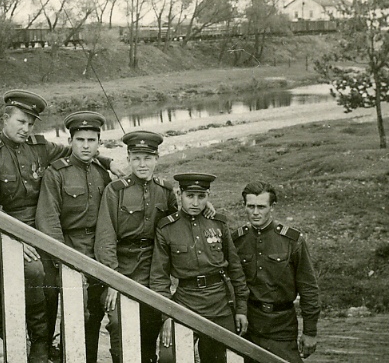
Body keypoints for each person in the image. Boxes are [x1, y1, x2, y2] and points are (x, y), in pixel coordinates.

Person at [0, 90, 120, 363]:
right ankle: (40, 341)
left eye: (30, 124)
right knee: (38, 274)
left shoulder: (39, 146)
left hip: (40, 228)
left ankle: (52, 345)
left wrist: (110, 161)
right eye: (20, 122)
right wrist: (17, 238)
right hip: (6, 228)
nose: (26, 129)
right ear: (5, 119)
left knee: (51, 277)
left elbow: (79, 151)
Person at [36, 111, 112, 363]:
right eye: (80, 140)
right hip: (66, 249)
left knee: (93, 315)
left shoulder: (102, 173)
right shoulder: (56, 173)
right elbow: (48, 219)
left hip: (96, 251)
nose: (86, 145)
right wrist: (64, 260)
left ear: (99, 143)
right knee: (67, 310)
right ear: (70, 141)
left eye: (92, 140)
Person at [94, 130, 177, 363]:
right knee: (119, 321)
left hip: (154, 271)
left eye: (148, 158)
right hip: (123, 269)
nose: (142, 164)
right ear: (128, 158)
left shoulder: (166, 191)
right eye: (137, 158)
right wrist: (113, 280)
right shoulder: (116, 191)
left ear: (156, 159)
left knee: (151, 322)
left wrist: (205, 207)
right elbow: (105, 237)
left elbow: (177, 228)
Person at [150, 173, 249, 363]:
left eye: (201, 196)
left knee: (221, 358)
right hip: (186, 303)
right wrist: (167, 316)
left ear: (208, 196)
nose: (195, 202)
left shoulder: (218, 223)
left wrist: (241, 309)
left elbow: (235, 269)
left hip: (219, 304)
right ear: (180, 194)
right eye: (190, 196)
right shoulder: (167, 228)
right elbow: (159, 277)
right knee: (169, 358)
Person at [233, 181, 320, 363]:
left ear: (272, 207)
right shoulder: (237, 240)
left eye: (261, 207)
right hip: (248, 326)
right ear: (244, 206)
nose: (255, 212)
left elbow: (309, 288)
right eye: (251, 206)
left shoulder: (292, 241)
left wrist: (310, 332)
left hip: (282, 327)